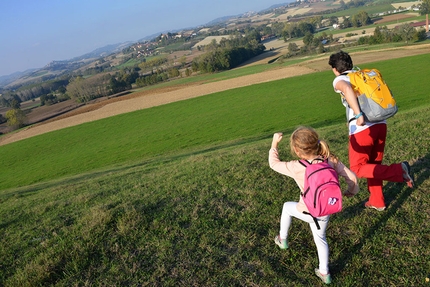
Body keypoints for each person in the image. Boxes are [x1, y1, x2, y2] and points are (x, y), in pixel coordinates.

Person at [269, 126, 359, 285]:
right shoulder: (330, 159)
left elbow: (274, 164)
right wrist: (351, 191)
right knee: (320, 238)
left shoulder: (296, 166)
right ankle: (324, 272)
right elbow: (352, 177)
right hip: (326, 209)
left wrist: (274, 144)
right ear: (317, 144)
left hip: (307, 210)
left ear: (297, 151)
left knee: (286, 207)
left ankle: (282, 238)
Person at [328, 51, 414, 211]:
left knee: (358, 168)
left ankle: (399, 170)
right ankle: (377, 200)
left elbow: (346, 89)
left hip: (363, 128)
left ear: (335, 69)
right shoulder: (362, 75)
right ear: (350, 63)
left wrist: (358, 115)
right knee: (373, 166)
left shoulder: (340, 79)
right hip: (381, 124)